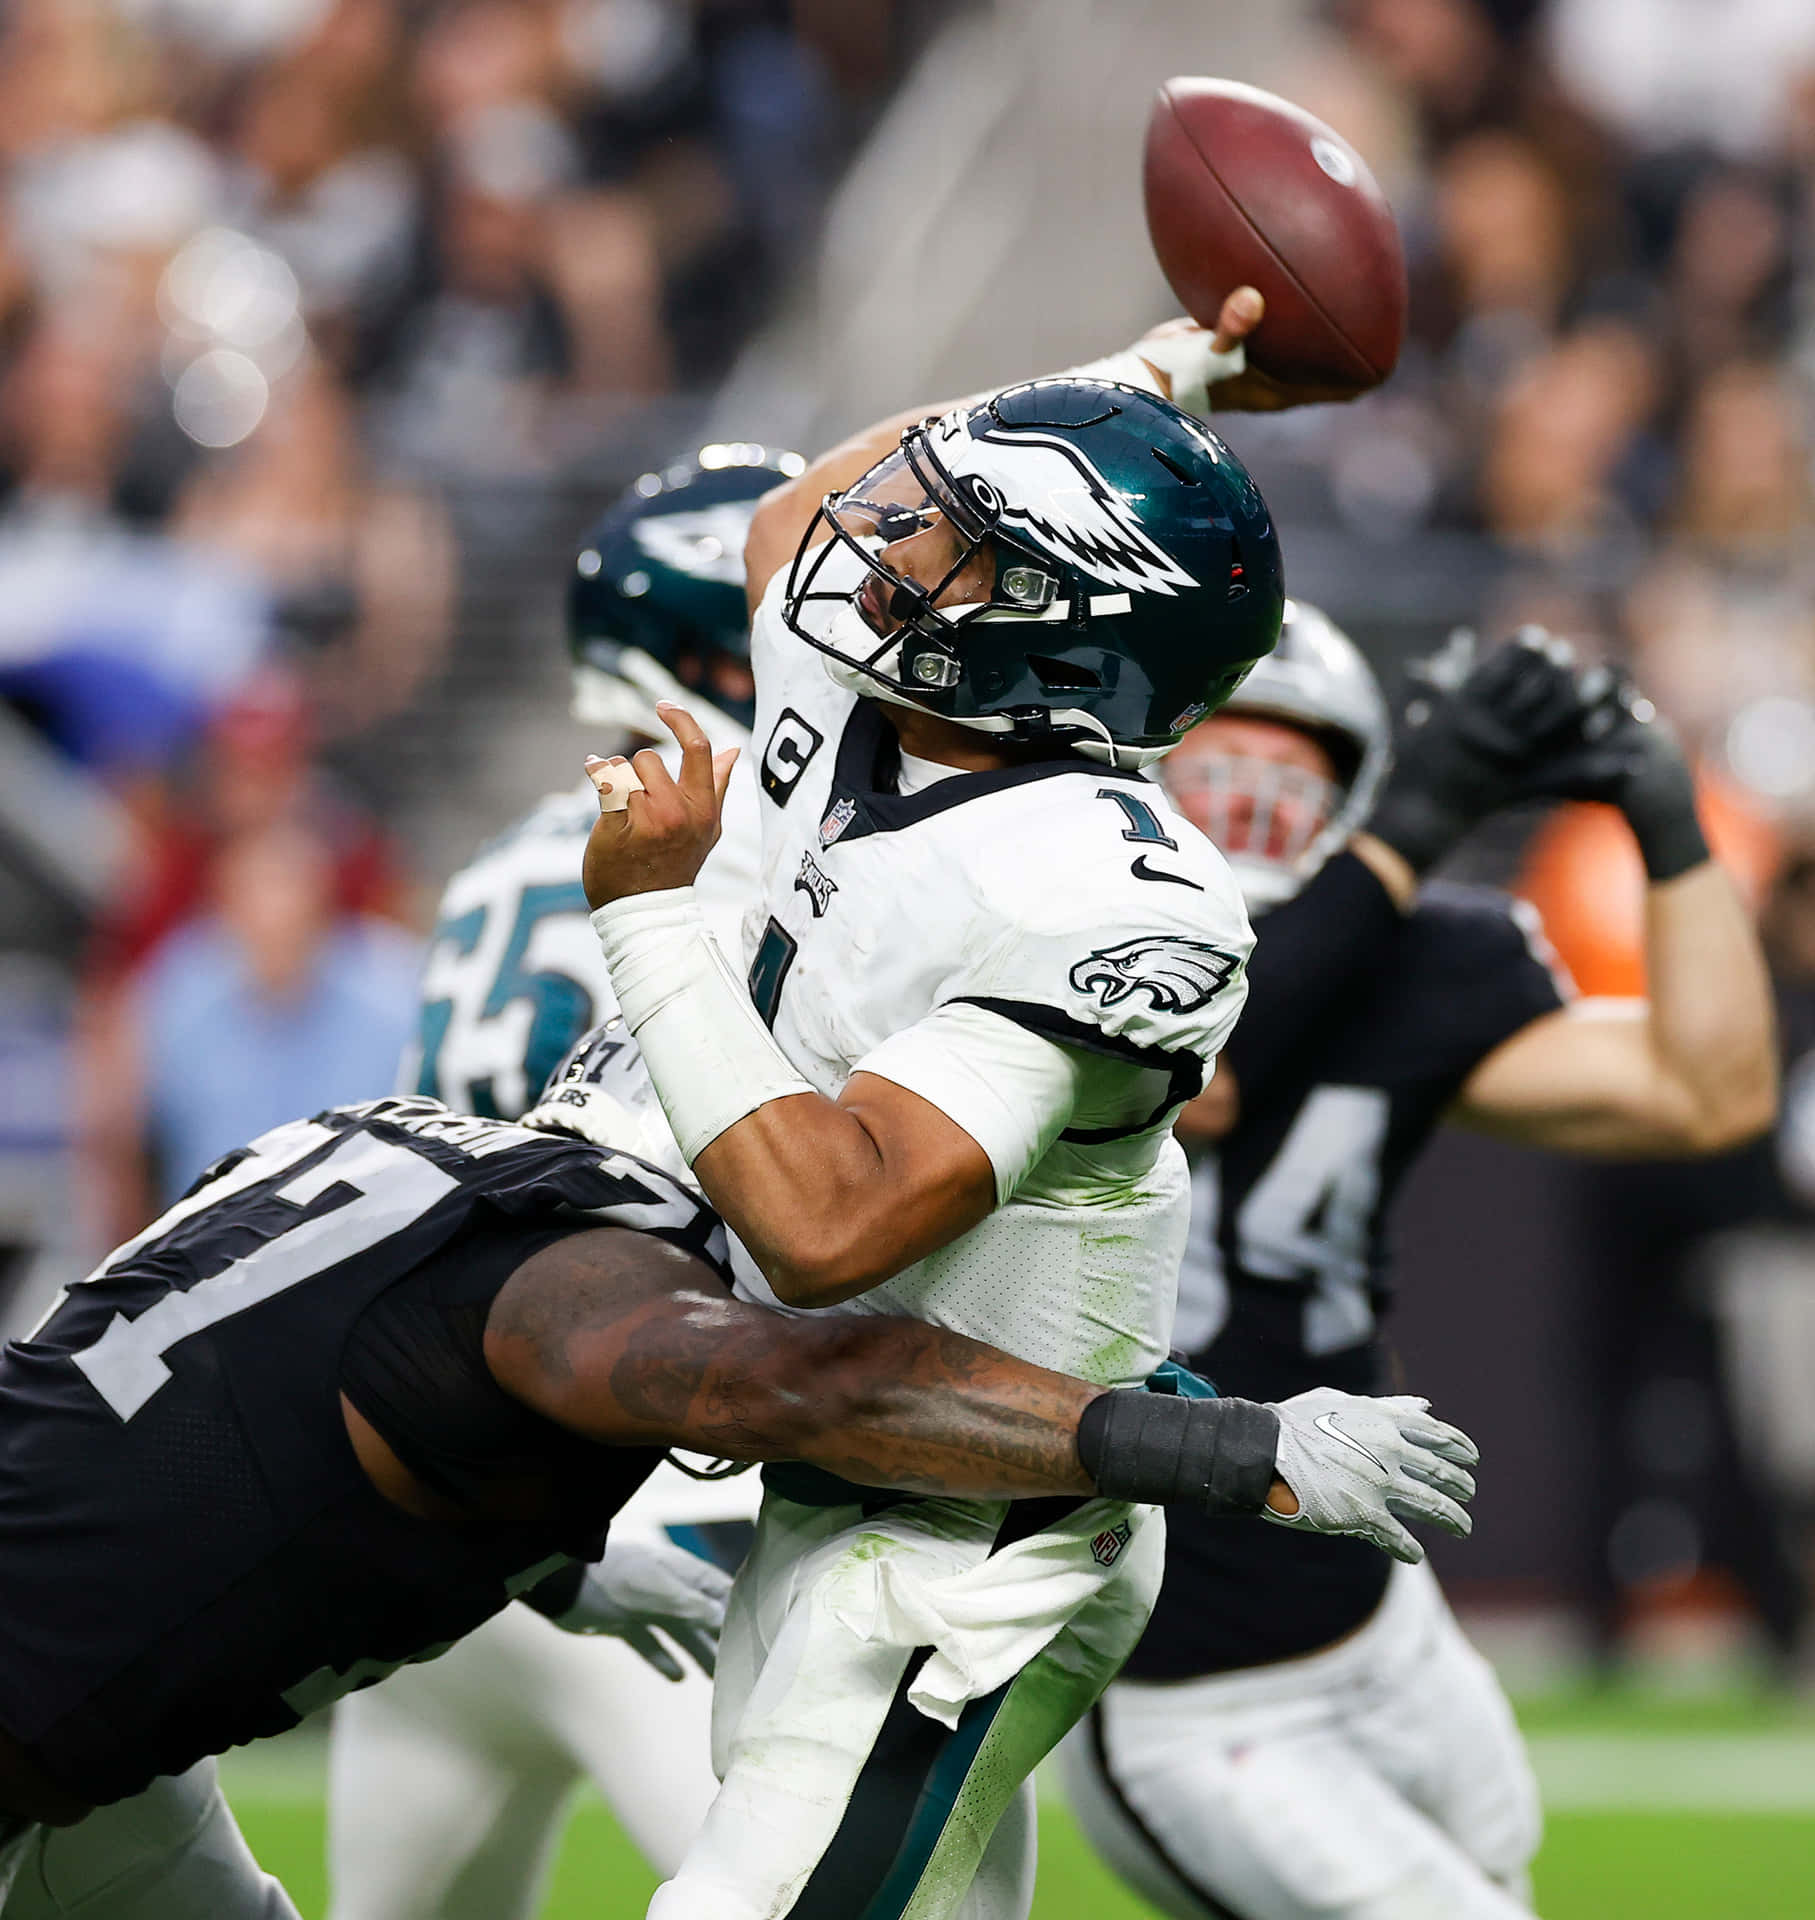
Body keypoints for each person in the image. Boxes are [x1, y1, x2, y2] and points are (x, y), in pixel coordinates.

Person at [575, 307, 1478, 1920]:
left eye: (956, 537)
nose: (885, 534)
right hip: (823, 1454)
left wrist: (649, 923)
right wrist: (1149, 373)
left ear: (1058, 629)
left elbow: (831, 1224)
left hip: (978, 1535)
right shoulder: (855, 669)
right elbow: (798, 520)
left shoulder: (1109, 888)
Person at [0, 1048, 1473, 1920]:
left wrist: (559, 1562)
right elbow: (802, 1383)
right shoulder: (562, 1278)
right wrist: (1222, 1447)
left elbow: (226, 1406)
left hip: (90, 1726)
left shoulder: (386, 1144)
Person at [1056, 605, 1779, 1920]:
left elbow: (1709, 1094)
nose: (1250, 807)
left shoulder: (1421, 959)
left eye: (1291, 776)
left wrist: (1667, 827)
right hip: (1179, 1684)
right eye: (1220, 768)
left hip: (1378, 1619)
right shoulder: (1059, 936)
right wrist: (1415, 821)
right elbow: (1203, 1073)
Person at [330, 444, 805, 1918]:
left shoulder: (502, 861)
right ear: (704, 657)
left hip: (450, 1508)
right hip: (646, 1485)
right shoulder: (756, 865)